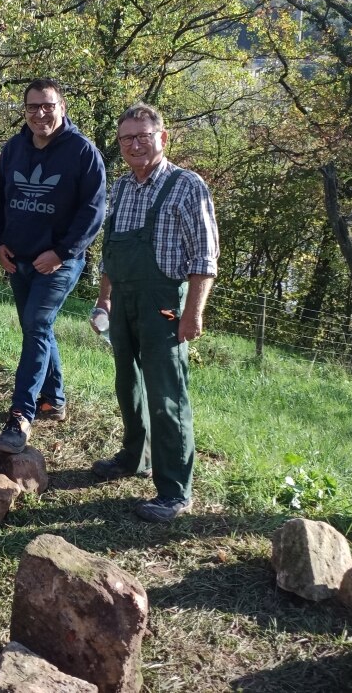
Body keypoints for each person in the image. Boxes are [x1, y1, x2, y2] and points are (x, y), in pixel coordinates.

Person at [90, 102, 219, 522]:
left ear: (162, 138)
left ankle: (175, 490)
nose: (134, 145)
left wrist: (193, 313)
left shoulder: (187, 186)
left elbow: (205, 258)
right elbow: (110, 254)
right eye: (126, 139)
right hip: (123, 301)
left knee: (167, 395)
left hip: (164, 304)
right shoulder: (123, 188)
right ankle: (133, 457)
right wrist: (104, 298)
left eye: (143, 136)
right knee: (127, 384)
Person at [0, 78, 106, 454]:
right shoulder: (14, 147)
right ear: (24, 110)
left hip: (59, 263)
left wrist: (61, 253)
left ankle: (21, 415)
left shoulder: (82, 152)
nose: (40, 114)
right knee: (35, 326)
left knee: (36, 325)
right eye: (32, 107)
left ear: (62, 106)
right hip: (18, 256)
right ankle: (54, 399)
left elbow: (93, 211)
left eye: (47, 106)